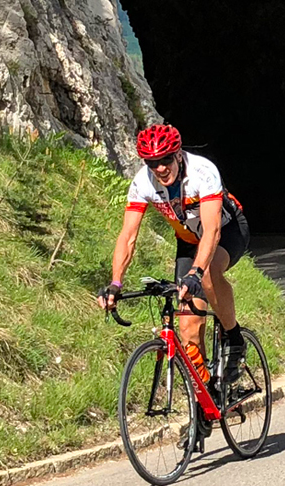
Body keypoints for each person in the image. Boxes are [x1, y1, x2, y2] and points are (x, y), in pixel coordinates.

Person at [98, 124, 250, 383]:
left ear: (178, 154)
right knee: (187, 327)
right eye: (152, 162)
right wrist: (115, 282)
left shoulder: (203, 171)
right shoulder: (141, 182)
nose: (160, 168)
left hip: (227, 231)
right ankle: (205, 397)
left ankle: (234, 338)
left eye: (166, 159)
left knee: (208, 274)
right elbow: (128, 236)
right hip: (189, 241)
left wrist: (196, 272)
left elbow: (212, 231)